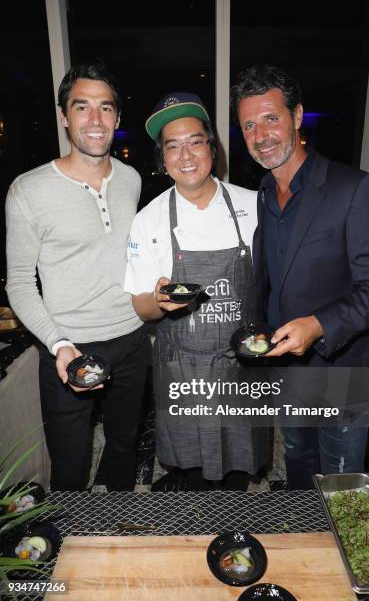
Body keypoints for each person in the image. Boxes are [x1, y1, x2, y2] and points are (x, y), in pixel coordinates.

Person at [231, 64, 369, 489]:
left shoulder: (356, 188)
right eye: (249, 125)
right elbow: (271, 279)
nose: (260, 134)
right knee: (299, 466)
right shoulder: (265, 192)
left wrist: (320, 324)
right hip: (288, 373)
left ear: (297, 116)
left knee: (340, 481)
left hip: (342, 370)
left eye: (271, 118)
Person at [6, 62, 148, 491]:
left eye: (105, 108)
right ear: (64, 116)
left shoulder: (132, 180)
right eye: (82, 107)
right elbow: (18, 282)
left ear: (117, 118)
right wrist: (58, 343)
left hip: (131, 339)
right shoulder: (27, 191)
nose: (95, 120)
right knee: (71, 465)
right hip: (68, 347)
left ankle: (120, 535)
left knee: (125, 448)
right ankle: (74, 546)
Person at [124, 92, 268, 491]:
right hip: (182, 368)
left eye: (195, 141)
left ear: (212, 148)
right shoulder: (148, 220)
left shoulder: (254, 207)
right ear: (163, 158)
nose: (185, 155)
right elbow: (141, 306)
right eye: (173, 146)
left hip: (241, 366)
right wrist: (160, 302)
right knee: (188, 475)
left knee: (238, 469)